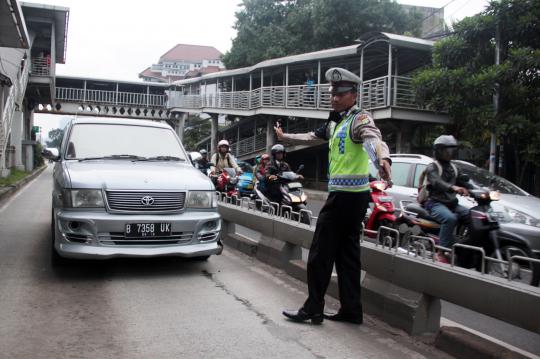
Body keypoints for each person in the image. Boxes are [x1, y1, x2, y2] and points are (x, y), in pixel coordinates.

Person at [277, 67, 392, 325]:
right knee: (347, 254)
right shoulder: (335, 123)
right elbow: (310, 137)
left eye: (341, 94)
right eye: (333, 93)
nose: (335, 98)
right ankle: (352, 311)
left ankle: (313, 308)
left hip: (346, 198)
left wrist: (384, 158)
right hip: (352, 198)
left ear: (353, 94)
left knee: (320, 253)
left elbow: (374, 139)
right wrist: (286, 137)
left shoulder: (359, 120)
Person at [423, 135, 472, 263]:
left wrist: (481, 191)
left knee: (472, 216)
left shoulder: (454, 168)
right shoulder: (432, 167)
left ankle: (464, 245)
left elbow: (465, 183)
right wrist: (453, 188)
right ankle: (441, 251)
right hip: (434, 203)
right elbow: (437, 182)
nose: (450, 153)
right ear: (439, 151)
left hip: (452, 204)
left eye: (452, 150)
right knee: (450, 219)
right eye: (446, 150)